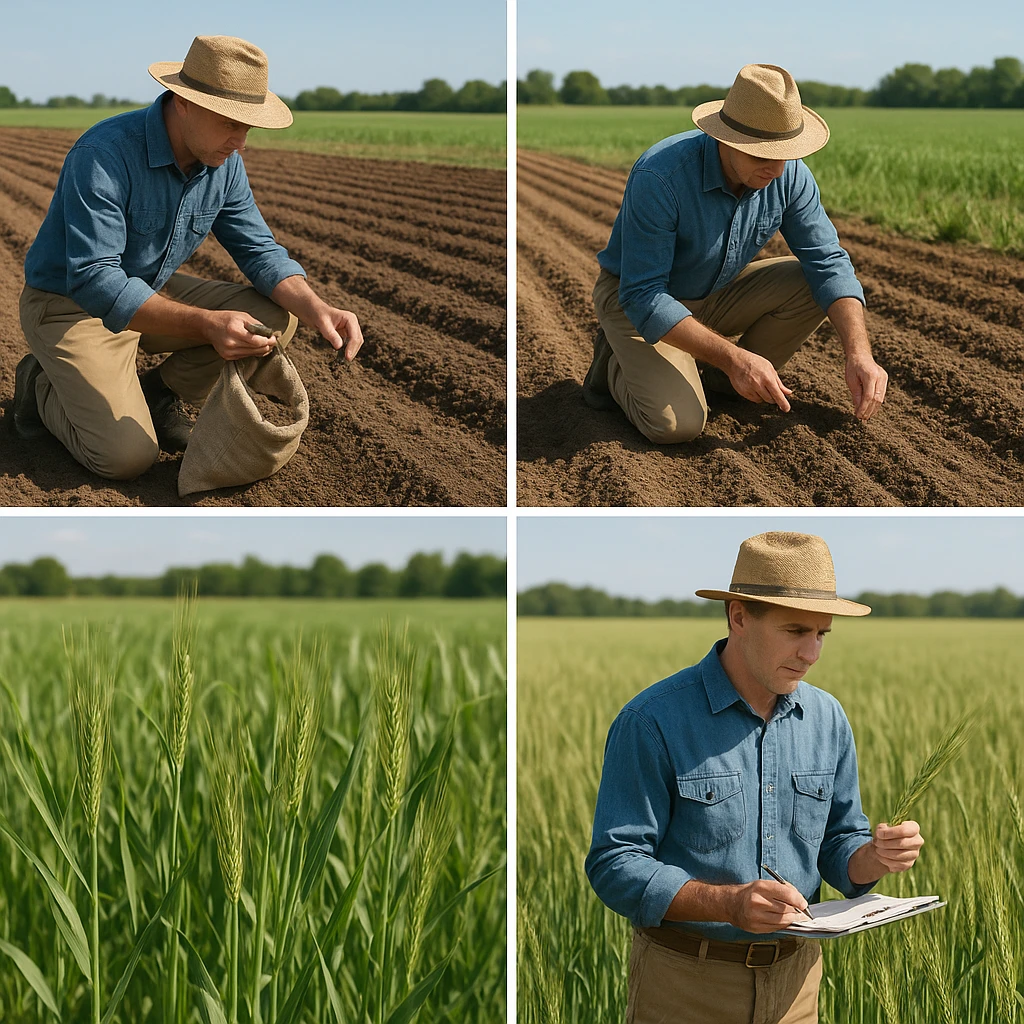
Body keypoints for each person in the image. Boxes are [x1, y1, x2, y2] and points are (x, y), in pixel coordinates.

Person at [585, 532, 924, 1024]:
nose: (811, 653)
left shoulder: (828, 719)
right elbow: (615, 863)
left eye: (821, 634)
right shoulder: (652, 721)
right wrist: (728, 904)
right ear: (739, 616)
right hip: (685, 986)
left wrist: (873, 857)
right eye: (794, 631)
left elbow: (838, 844)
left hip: (797, 985)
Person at [12, 35, 364, 480]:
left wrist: (319, 308)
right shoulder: (103, 154)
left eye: (247, 126)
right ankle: (40, 386)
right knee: (126, 458)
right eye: (227, 122)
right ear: (183, 102)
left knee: (276, 316)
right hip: (71, 307)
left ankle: (158, 394)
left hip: (147, 292)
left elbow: (258, 249)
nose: (239, 142)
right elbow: (96, 278)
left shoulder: (224, 162)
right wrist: (205, 324)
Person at [584, 64, 887, 444]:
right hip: (638, 299)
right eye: (764, 155)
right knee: (677, 427)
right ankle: (614, 364)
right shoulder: (661, 176)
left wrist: (858, 353)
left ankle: (714, 376)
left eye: (786, 154)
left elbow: (828, 262)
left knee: (812, 281)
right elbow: (643, 294)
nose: (777, 169)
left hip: (713, 292)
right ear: (725, 139)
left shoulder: (788, 175)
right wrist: (735, 358)